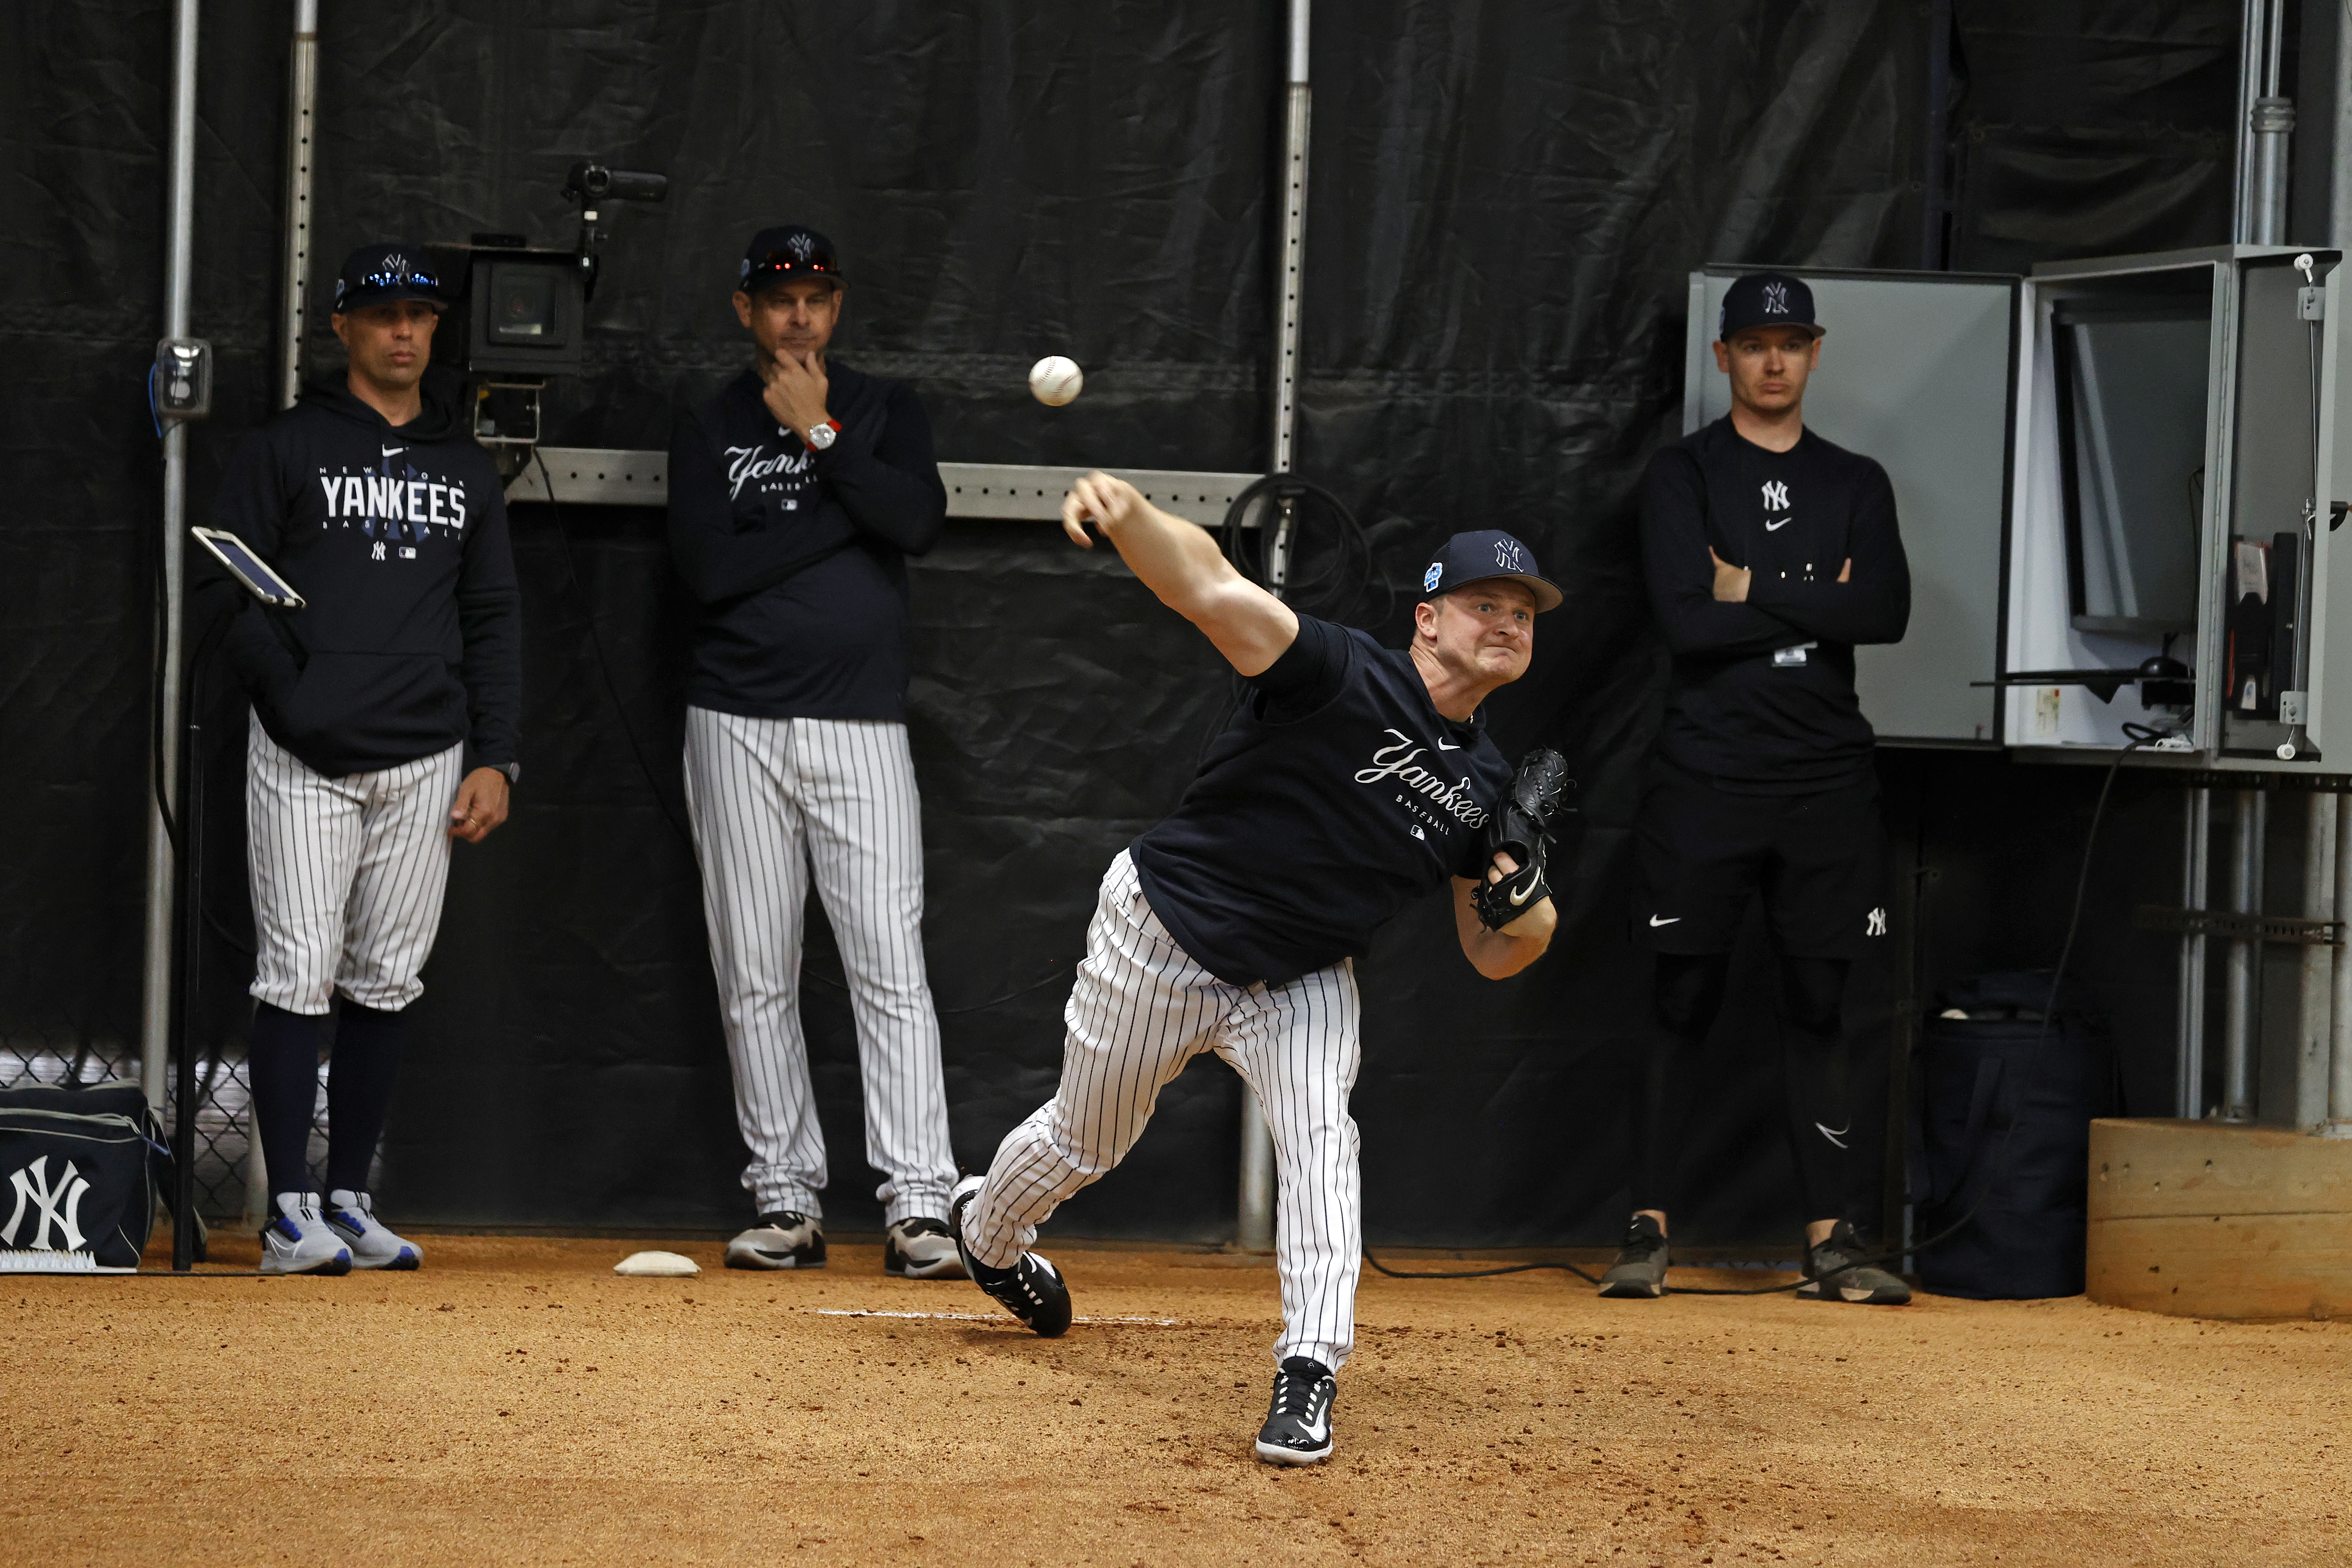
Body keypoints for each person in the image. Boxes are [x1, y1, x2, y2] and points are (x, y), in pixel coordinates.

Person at [947, 473, 1562, 1466]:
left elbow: (1496, 953)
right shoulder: (1338, 672)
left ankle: (1310, 1371)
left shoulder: (1486, 789)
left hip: (1306, 980)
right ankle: (988, 1233)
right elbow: (1211, 588)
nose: (1507, 621)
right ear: (1429, 619)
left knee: (1323, 1143)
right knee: (1085, 1140)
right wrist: (1132, 513)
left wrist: (1522, 893)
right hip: (1167, 933)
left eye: (1524, 611)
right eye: (1484, 603)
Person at [200, 242, 521, 1275]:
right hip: (306, 755)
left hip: (426, 757)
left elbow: (493, 618)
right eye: (382, 313)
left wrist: (496, 756)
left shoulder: (466, 466)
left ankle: (349, 1199)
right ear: (340, 327)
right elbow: (228, 592)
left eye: (421, 316)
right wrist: (296, 704)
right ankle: (287, 1209)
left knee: (387, 981)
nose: (403, 331)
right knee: (297, 973)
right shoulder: (287, 447)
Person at [1600, 270, 1912, 1305]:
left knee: (1823, 998)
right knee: (1681, 989)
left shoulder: (1856, 481)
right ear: (1724, 356)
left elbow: (1885, 612)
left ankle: (1832, 1243)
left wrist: (1754, 587)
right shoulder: (1683, 475)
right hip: (1709, 773)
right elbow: (1689, 622)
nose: (1773, 361)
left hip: (1826, 776)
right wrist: (1817, 596)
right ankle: (1646, 1229)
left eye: (1792, 343)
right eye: (1755, 344)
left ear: (1815, 354)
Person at [665, 224, 964, 1279]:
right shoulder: (710, 423)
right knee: (755, 968)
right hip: (735, 719)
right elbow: (707, 572)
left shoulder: (884, 409)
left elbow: (918, 521)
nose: (800, 314)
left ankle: (921, 1200)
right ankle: (785, 1199)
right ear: (744, 307)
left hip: (861, 721)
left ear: (839, 309)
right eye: (781, 296)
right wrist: (851, 512)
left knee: (887, 961)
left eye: (818, 297)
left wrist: (826, 438)